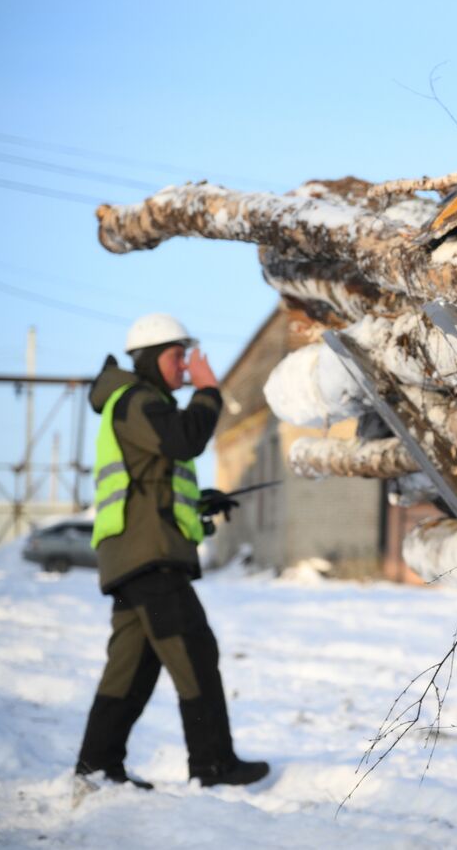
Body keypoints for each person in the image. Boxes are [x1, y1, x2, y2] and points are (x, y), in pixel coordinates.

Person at [75, 313, 268, 790]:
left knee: (133, 666)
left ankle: (97, 768)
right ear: (147, 358)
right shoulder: (136, 400)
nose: (185, 365)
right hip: (148, 559)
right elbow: (184, 440)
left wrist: (199, 501)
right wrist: (208, 391)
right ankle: (214, 765)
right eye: (176, 356)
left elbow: (153, 480)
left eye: (186, 357)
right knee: (195, 652)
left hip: (138, 557)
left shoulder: (143, 404)